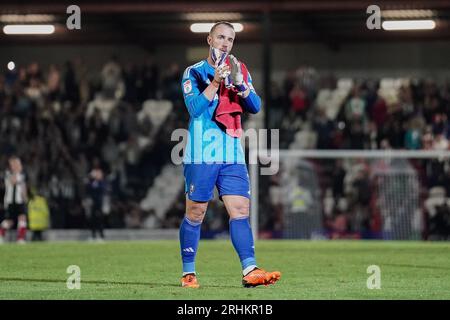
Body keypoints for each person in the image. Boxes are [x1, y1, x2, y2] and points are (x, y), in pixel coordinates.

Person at [179, 21, 281, 288]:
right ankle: (188, 272)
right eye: (221, 37)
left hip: (232, 151)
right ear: (209, 40)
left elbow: (256, 106)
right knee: (196, 212)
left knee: (240, 210)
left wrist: (240, 85)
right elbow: (194, 108)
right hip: (201, 151)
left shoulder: (240, 69)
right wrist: (215, 81)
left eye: (230, 39)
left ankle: (250, 269)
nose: (225, 43)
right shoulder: (194, 72)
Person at [0, 156, 28, 244]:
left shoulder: (22, 175)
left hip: (20, 201)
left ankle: (20, 239)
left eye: (19, 164)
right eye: (17, 164)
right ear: (12, 165)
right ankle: (0, 235)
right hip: (10, 202)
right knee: (9, 222)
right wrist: (16, 171)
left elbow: (23, 186)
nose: (19, 165)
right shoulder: (7, 174)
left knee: (22, 218)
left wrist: (25, 197)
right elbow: (13, 182)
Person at [86, 168, 106, 241]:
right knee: (93, 219)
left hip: (99, 203)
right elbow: (88, 189)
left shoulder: (102, 182)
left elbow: (102, 189)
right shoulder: (91, 182)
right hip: (93, 204)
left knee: (100, 219)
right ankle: (93, 235)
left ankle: (101, 235)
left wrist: (97, 181)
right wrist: (90, 178)